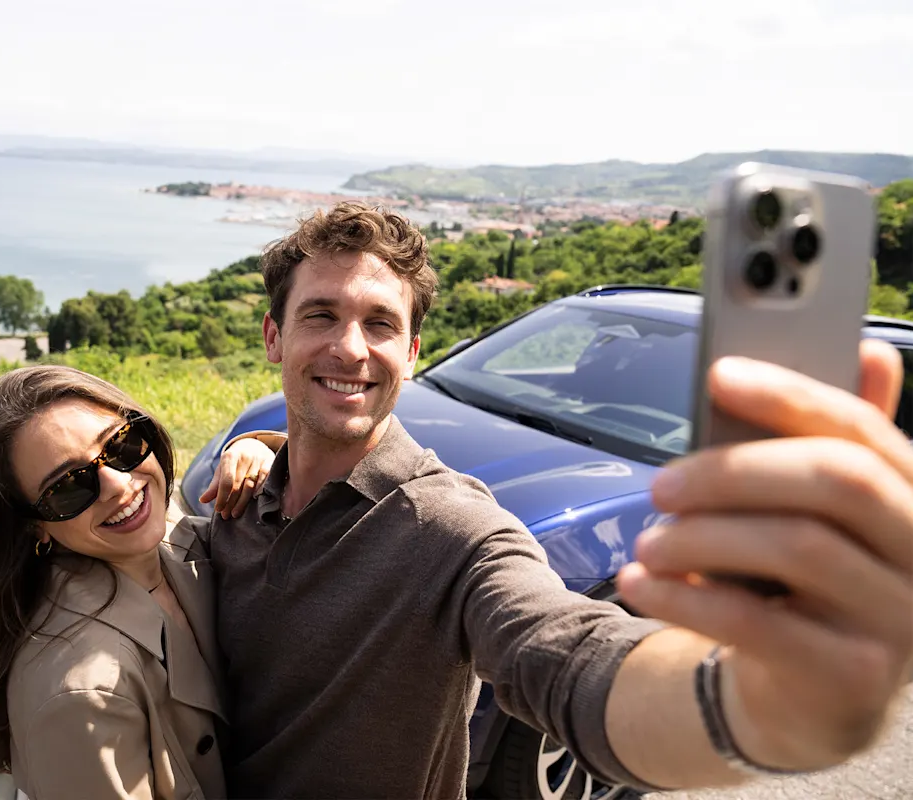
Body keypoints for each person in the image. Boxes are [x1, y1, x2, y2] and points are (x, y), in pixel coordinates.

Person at [201, 201, 913, 798]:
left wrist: (757, 707)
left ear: (412, 351)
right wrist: (258, 446)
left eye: (380, 324)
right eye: (319, 315)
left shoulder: (453, 530)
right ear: (274, 336)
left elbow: (568, 655)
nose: (350, 348)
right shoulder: (242, 497)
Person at [0, 364, 283, 800]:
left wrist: (259, 450)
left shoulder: (171, 540)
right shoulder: (82, 696)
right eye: (68, 486)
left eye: (121, 445)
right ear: (35, 526)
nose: (119, 485)